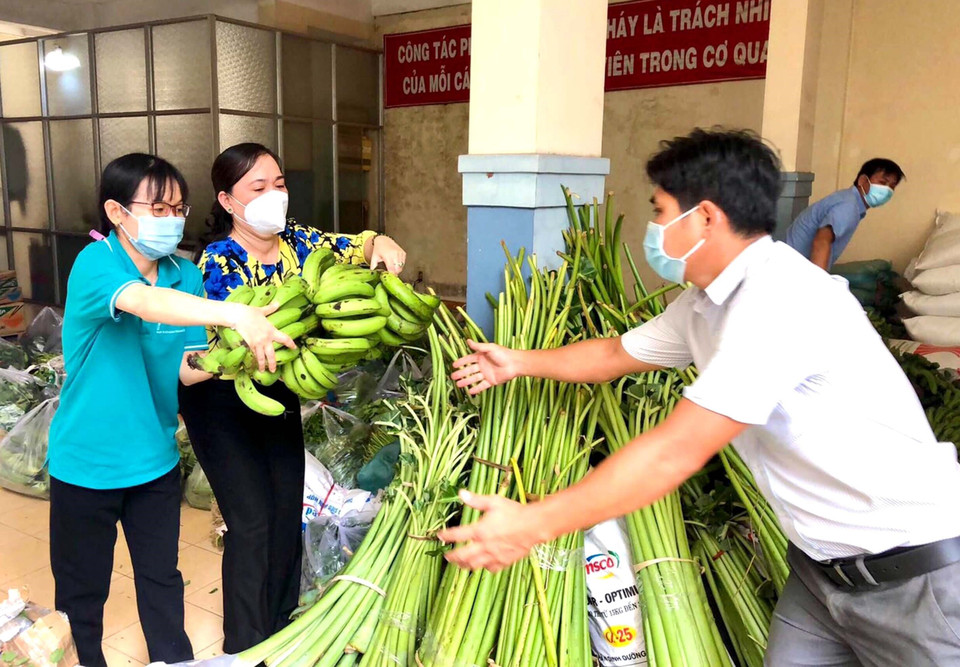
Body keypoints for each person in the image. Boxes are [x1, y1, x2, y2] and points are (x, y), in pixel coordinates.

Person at [439, 129, 960, 665]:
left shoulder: (782, 301)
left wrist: (530, 525)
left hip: (915, 577)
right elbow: (615, 355)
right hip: (819, 571)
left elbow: (674, 451)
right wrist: (519, 362)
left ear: (705, 217)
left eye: (661, 211)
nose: (654, 228)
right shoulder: (703, 304)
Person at [48, 153, 293, 667]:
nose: (172, 220)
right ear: (117, 212)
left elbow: (187, 365)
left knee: (162, 580)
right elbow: (141, 302)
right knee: (82, 594)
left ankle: (174, 661)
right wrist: (235, 313)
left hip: (155, 462)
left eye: (179, 208)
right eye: (158, 208)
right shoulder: (97, 263)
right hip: (86, 464)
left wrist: (238, 354)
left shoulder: (184, 274)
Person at [178, 142, 408, 654]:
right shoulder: (217, 263)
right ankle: (244, 643)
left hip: (278, 394)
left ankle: (281, 625)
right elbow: (222, 349)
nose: (274, 196)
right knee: (251, 521)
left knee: (285, 512)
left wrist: (382, 244)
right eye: (257, 188)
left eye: (278, 184)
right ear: (229, 201)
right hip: (222, 400)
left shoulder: (301, 241)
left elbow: (357, 244)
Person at [785, 158, 905, 270]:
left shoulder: (849, 201)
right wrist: (818, 287)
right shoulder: (848, 207)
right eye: (883, 182)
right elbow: (821, 242)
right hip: (791, 273)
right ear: (862, 180)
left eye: (892, 186)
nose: (887, 190)